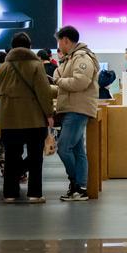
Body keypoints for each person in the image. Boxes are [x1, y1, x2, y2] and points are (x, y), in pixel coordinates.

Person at [0, 32, 53, 203]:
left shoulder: (4, 67)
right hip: (33, 118)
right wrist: (49, 113)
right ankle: (34, 194)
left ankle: (10, 194)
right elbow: (43, 92)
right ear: (30, 46)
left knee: (11, 156)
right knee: (35, 157)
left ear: (12, 46)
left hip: (9, 119)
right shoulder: (36, 65)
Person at [53, 25, 99, 202]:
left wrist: (58, 81)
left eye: (59, 41)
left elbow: (80, 82)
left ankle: (76, 184)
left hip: (77, 109)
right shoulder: (69, 59)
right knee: (78, 151)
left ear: (65, 40)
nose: (59, 45)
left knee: (64, 148)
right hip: (70, 108)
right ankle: (80, 189)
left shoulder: (82, 58)